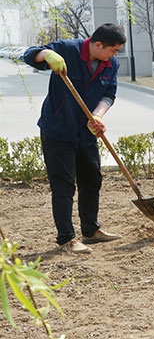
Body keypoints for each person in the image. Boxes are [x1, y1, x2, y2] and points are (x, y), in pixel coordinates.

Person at [21, 23, 127, 254]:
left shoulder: (111, 64)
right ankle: (66, 239)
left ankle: (90, 230)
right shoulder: (67, 50)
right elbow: (29, 55)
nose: (115, 55)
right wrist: (46, 53)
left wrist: (97, 116)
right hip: (58, 130)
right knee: (64, 184)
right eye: (113, 50)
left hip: (86, 132)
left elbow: (109, 94)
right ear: (98, 45)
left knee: (92, 180)